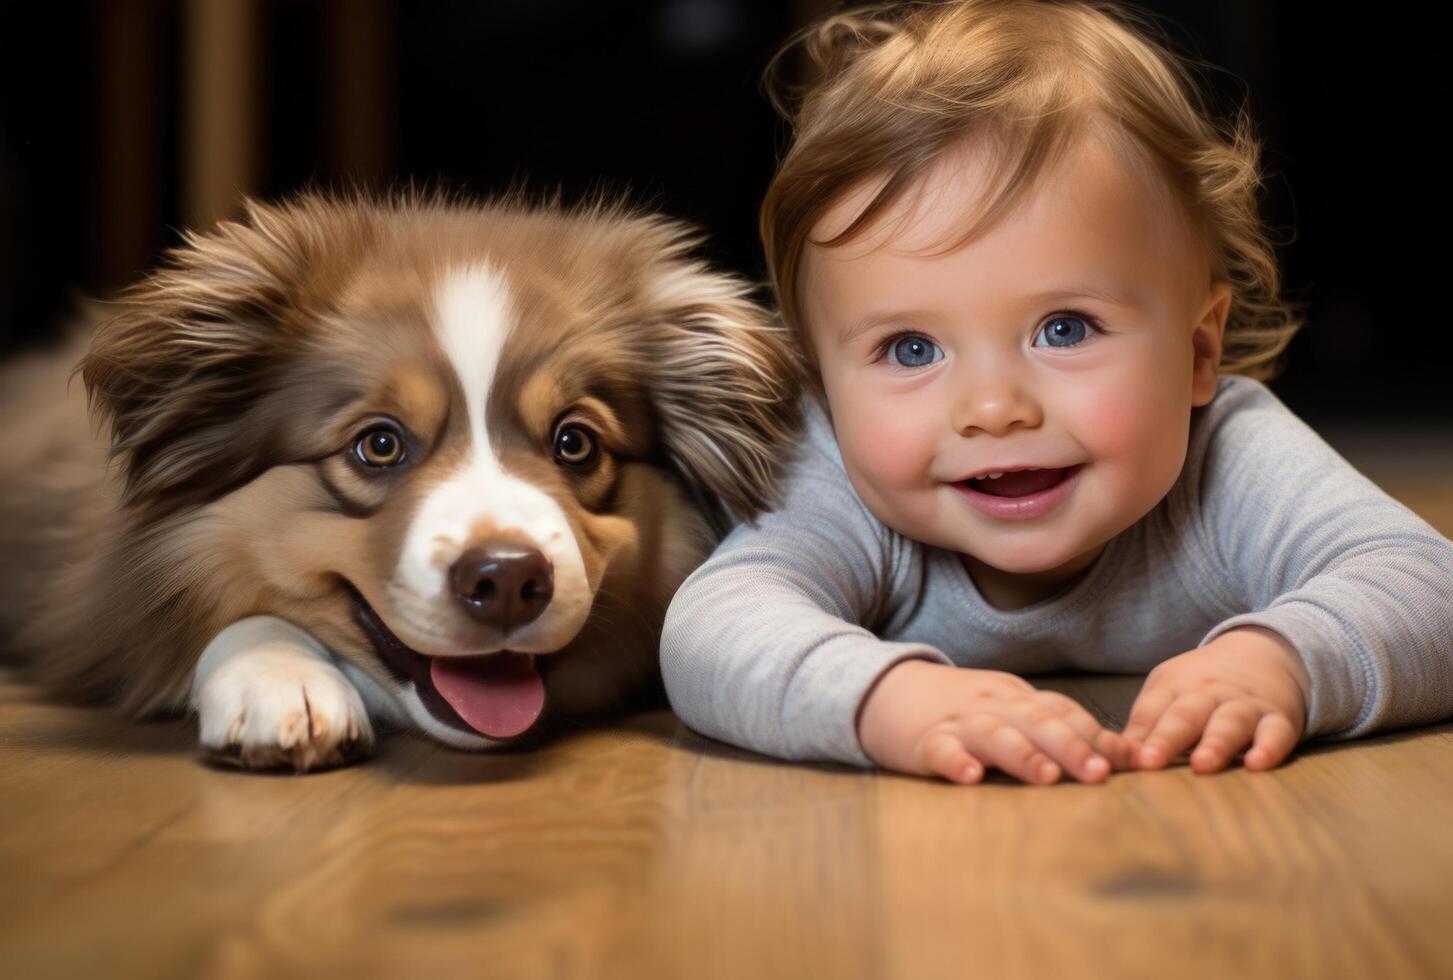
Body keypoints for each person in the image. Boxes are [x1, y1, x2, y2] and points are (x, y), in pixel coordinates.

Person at [658, 0, 1453, 786]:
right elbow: (711, 629)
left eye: (1064, 329)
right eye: (910, 348)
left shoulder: (1227, 456)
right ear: (822, 388)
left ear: (1196, 351)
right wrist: (886, 701)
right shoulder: (842, 482)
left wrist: (1285, 659)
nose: (994, 408)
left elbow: (1430, 590)